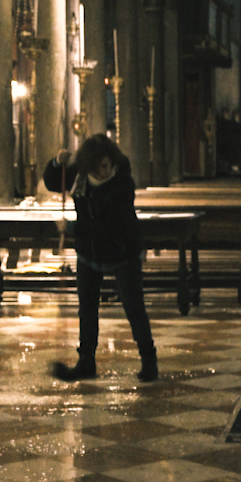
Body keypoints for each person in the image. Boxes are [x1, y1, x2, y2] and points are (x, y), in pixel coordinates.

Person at [45, 133, 158, 383]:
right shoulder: (81, 176)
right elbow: (54, 182)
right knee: (86, 308)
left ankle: (149, 360)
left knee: (133, 306)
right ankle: (86, 361)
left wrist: (73, 229)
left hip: (122, 251)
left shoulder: (122, 184)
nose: (104, 171)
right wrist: (57, 162)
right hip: (89, 253)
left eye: (107, 165)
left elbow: (110, 226)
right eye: (99, 167)